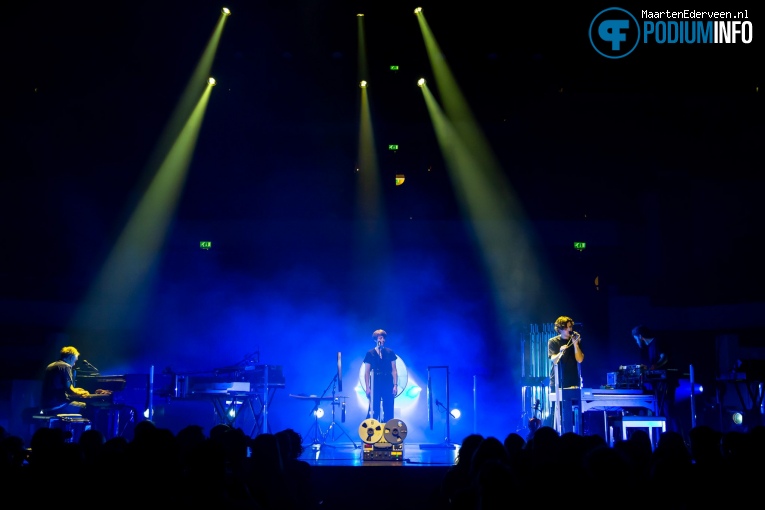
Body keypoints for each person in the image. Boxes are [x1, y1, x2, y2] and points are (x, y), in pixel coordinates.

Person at [632, 325, 679, 434]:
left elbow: (664, 358)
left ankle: (677, 437)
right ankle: (664, 436)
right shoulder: (649, 347)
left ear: (640, 336)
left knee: (669, 412)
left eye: (636, 339)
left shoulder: (657, 342)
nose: (636, 342)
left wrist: (654, 367)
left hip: (666, 383)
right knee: (661, 411)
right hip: (659, 384)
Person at [548, 316, 584, 434]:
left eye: (570, 327)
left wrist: (575, 345)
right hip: (557, 381)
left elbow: (580, 359)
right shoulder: (553, 342)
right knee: (558, 412)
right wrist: (561, 352)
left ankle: (573, 434)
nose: (570, 330)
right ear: (560, 329)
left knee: (574, 411)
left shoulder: (576, 340)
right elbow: (553, 360)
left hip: (573, 381)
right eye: (567, 327)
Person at [40, 346, 91, 415]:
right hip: (58, 405)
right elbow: (69, 390)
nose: (74, 364)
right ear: (71, 358)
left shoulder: (50, 366)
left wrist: (77, 390)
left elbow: (60, 387)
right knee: (86, 407)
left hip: (46, 405)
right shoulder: (66, 366)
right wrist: (83, 393)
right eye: (75, 361)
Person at [363, 329, 398, 422]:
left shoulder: (390, 352)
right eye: (380, 338)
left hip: (387, 381)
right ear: (376, 340)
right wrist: (367, 387)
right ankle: (372, 430)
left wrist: (395, 385)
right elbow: (366, 372)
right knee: (374, 408)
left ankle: (388, 429)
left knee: (388, 407)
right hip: (376, 382)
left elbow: (394, 370)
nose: (383, 340)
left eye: (383, 338)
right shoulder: (370, 353)